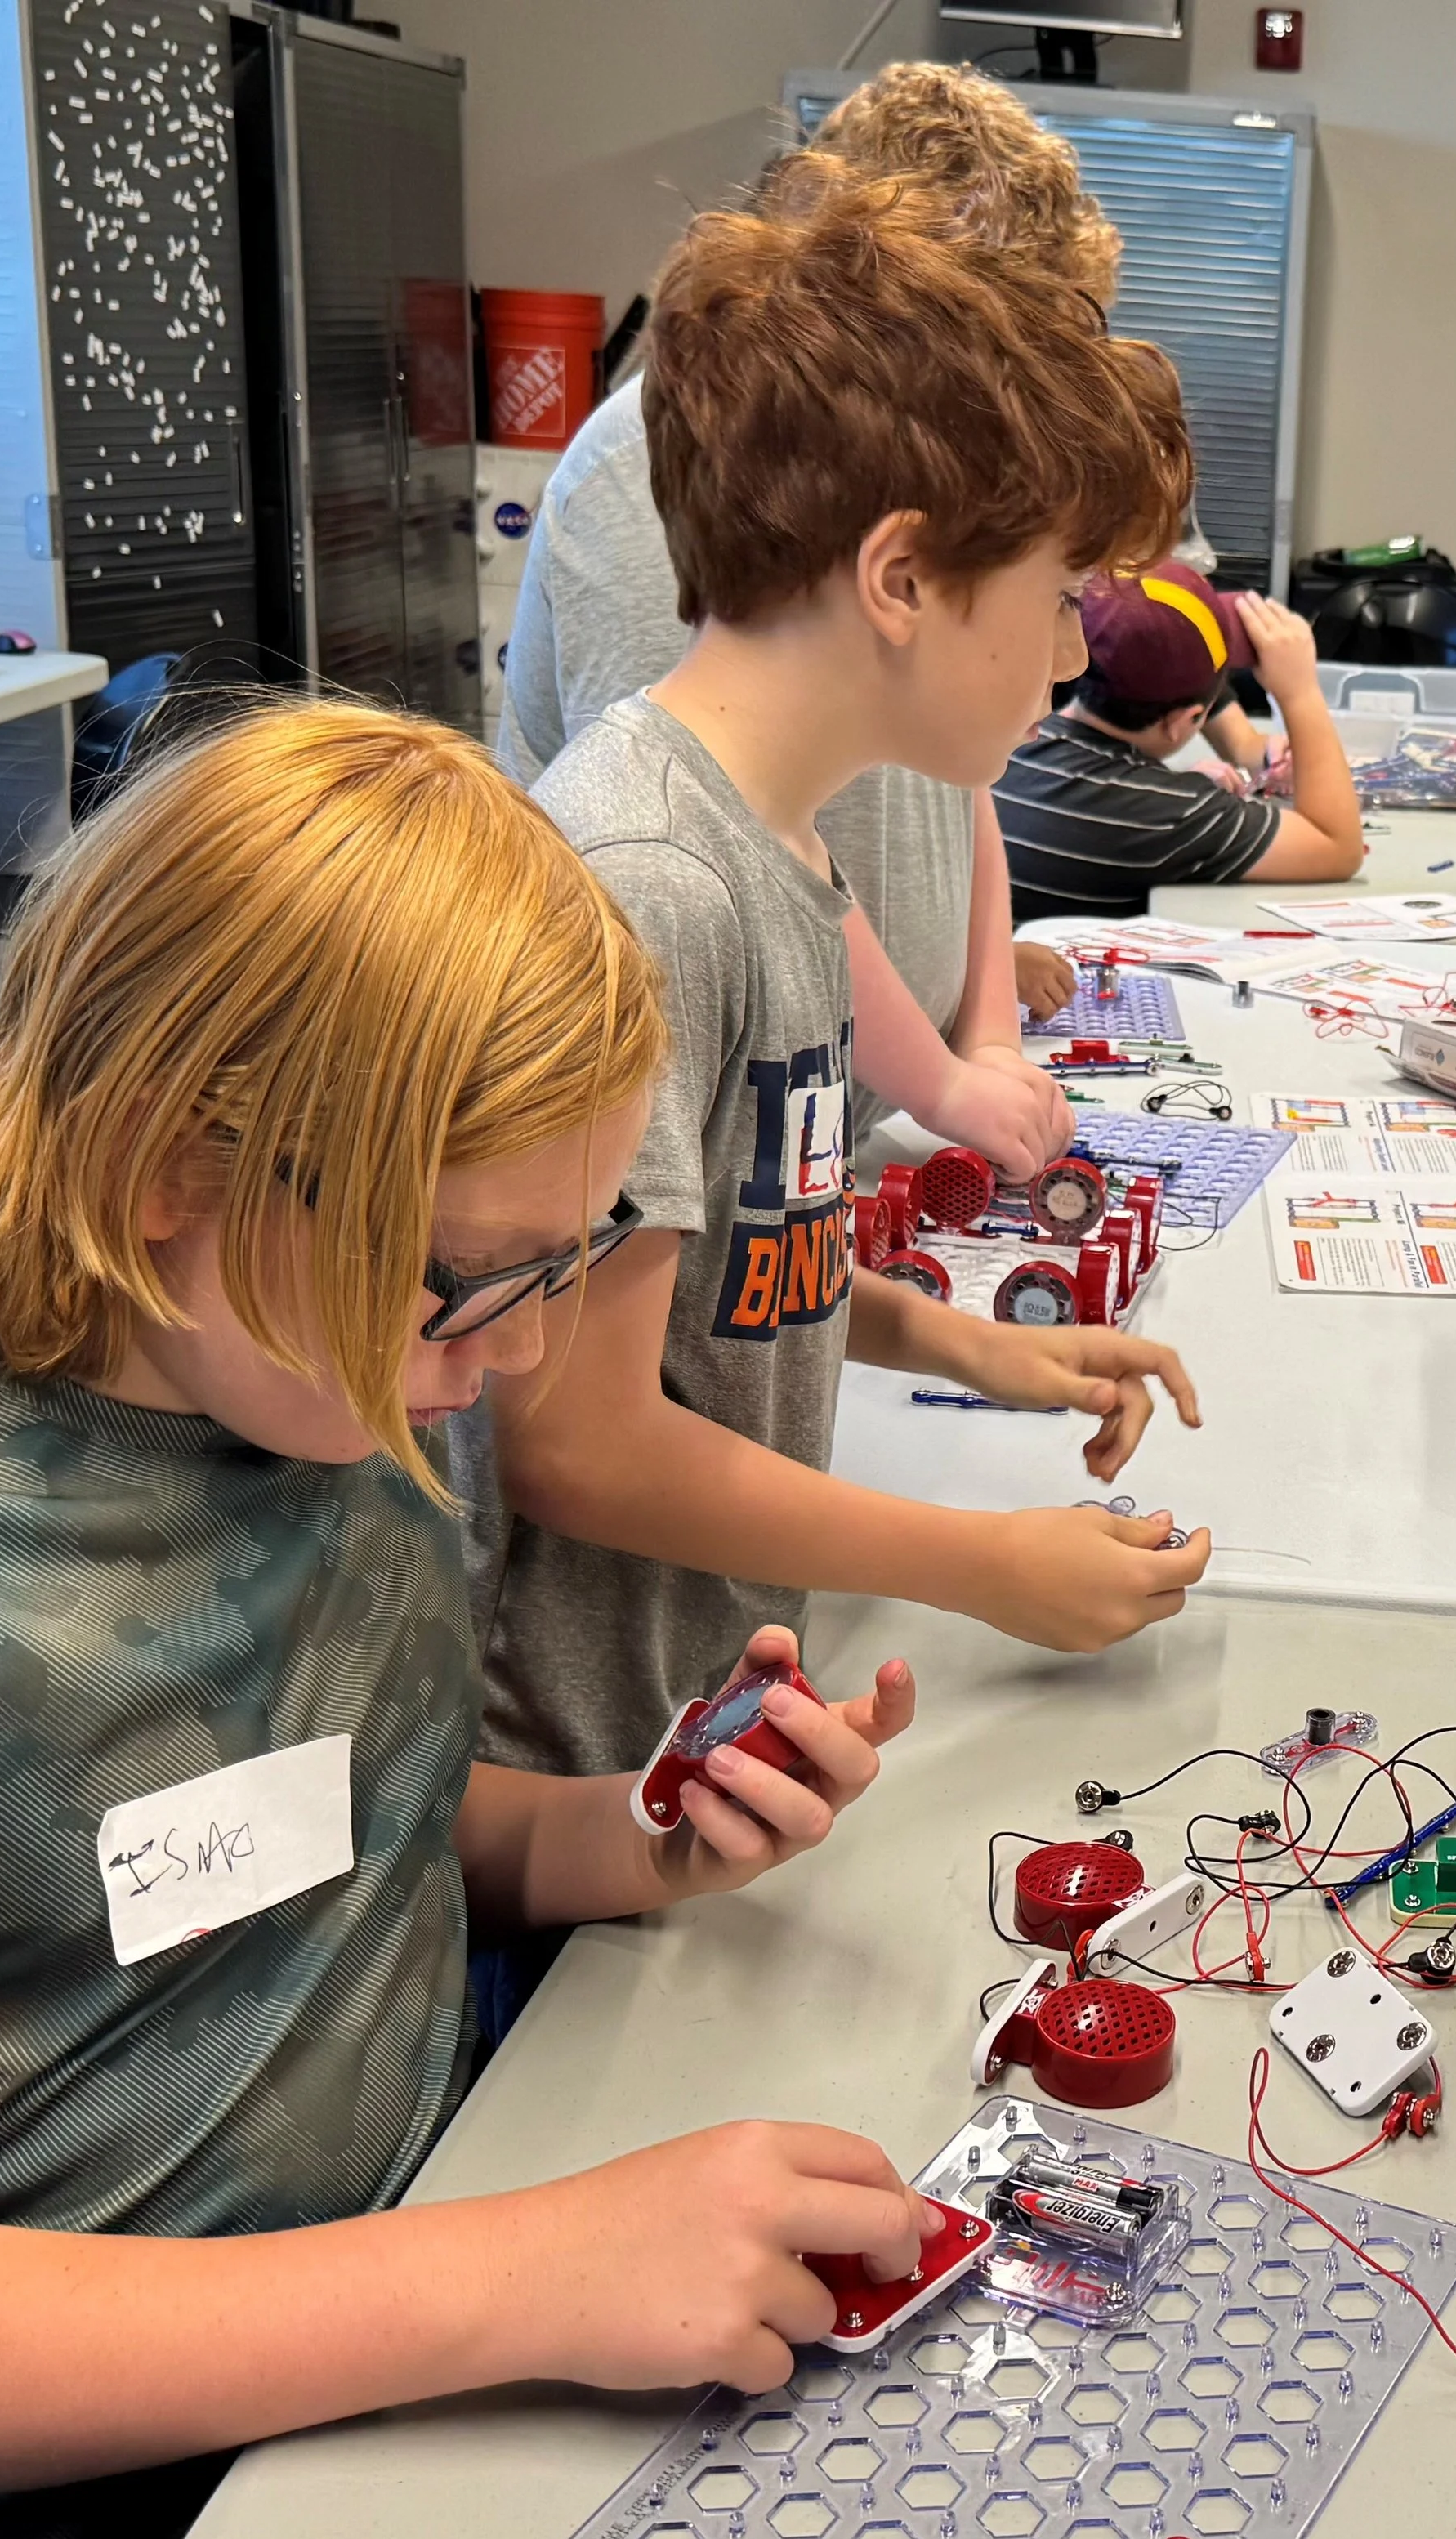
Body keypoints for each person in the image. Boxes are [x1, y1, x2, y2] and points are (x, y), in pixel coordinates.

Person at [0, 704, 941, 2539]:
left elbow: (340, 1822)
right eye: (466, 1269)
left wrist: (624, 1840)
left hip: (340, 2367)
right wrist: (536, 2270)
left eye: (567, 1257)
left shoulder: (349, 1387)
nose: (523, 1353)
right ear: (159, 1175)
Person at [468, 166, 1210, 1791]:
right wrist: (976, 1561)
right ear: (897, 576)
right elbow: (572, 1435)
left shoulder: (774, 843)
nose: (1073, 657)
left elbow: (728, 1270)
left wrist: (969, 1347)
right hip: (579, 1755)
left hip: (689, 1698)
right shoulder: (651, 883)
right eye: (1050, 599)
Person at [496, 61, 1125, 1169]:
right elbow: (738, 838)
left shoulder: (917, 480)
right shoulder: (663, 469)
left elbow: (959, 780)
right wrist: (942, 1078)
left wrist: (983, 1028)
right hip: (728, 1137)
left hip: (852, 1121)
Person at [994, 560, 1364, 927]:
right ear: (1184, 722)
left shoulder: (1005, 743)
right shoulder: (1165, 816)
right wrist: (1300, 693)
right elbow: (1336, 845)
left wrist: (1169, 783)